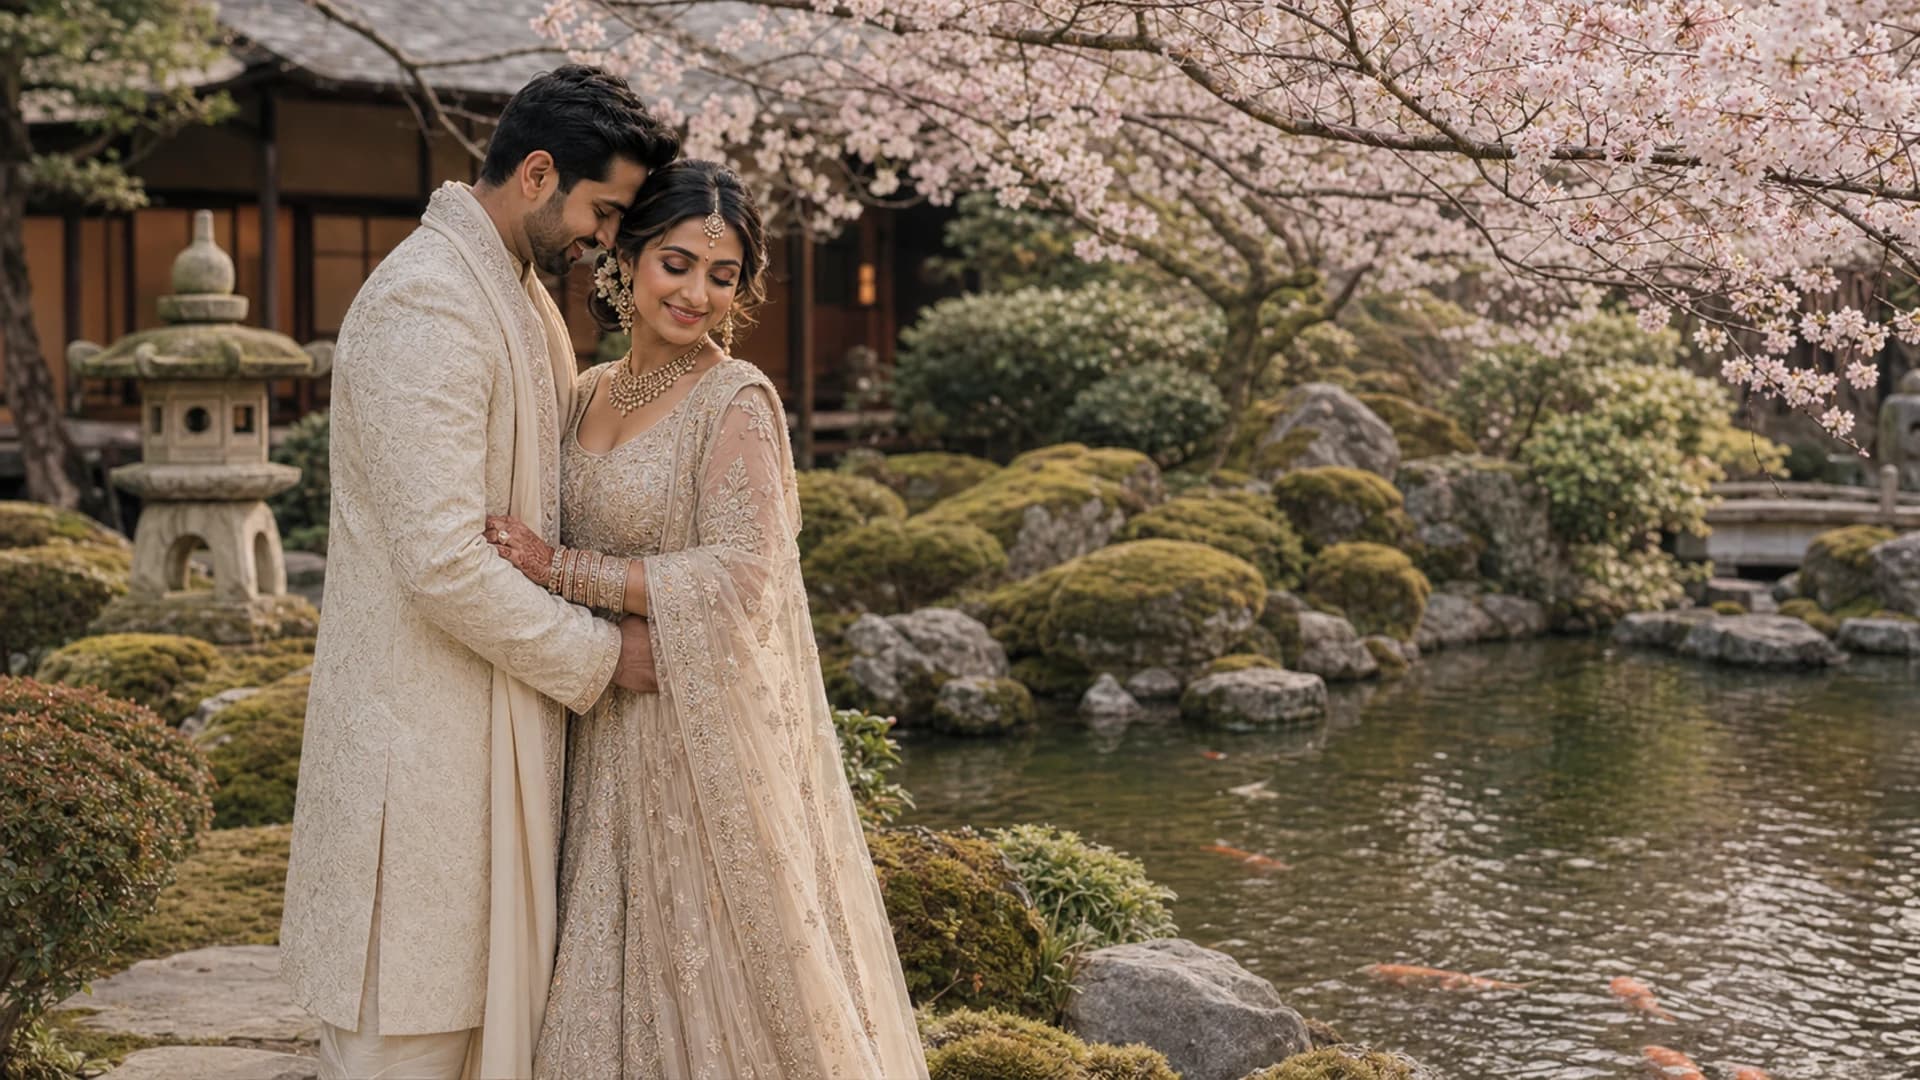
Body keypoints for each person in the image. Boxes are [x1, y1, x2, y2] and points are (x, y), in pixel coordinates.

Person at [483, 159, 931, 1079]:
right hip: (598, 715)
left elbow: (744, 574)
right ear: (628, 259)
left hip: (697, 738)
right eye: (676, 264)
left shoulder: (738, 400)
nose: (695, 293)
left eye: (721, 276)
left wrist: (559, 566)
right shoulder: (584, 392)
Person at [279, 65, 680, 1080]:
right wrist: (601, 657)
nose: (606, 239)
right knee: (408, 1042)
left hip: (485, 735)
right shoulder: (429, 301)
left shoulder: (511, 288)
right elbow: (445, 560)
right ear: (538, 172)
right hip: (418, 756)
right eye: (603, 211)